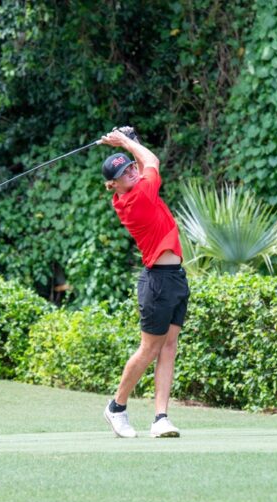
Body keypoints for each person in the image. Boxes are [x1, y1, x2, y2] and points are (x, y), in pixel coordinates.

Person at [100, 128, 189, 438]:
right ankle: (116, 407)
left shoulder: (135, 189)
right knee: (149, 349)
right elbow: (152, 159)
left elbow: (144, 161)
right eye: (124, 173)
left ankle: (161, 418)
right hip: (158, 282)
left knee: (168, 347)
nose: (132, 172)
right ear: (113, 185)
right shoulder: (137, 197)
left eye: (131, 167)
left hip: (175, 277)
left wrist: (128, 141)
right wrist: (126, 142)